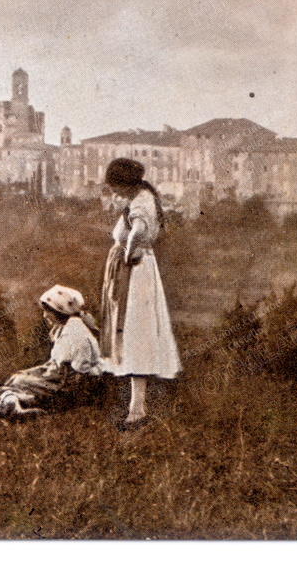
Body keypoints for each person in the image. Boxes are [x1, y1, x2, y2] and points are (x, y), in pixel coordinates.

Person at [101, 158, 181, 429]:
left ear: (126, 183)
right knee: (132, 332)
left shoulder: (142, 202)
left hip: (136, 272)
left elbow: (138, 231)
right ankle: (136, 407)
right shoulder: (141, 198)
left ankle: (137, 410)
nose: (116, 193)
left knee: (136, 332)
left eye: (117, 187)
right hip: (136, 271)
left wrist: (126, 254)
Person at [0, 285, 118, 414]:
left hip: (70, 387)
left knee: (19, 381)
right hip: (60, 379)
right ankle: (14, 402)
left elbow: (81, 370)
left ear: (60, 312)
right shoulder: (63, 328)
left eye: (48, 311)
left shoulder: (75, 333)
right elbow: (55, 363)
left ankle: (13, 403)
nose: (45, 315)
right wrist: (34, 373)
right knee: (17, 378)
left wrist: (43, 378)